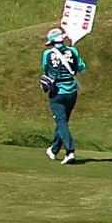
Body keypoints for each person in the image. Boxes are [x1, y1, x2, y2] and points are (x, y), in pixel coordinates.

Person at [40, 26, 82, 164]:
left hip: (56, 92)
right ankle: (54, 149)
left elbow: (46, 69)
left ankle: (70, 151)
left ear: (52, 43)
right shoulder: (73, 51)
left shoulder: (48, 54)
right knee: (63, 122)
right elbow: (82, 67)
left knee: (61, 122)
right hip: (72, 92)